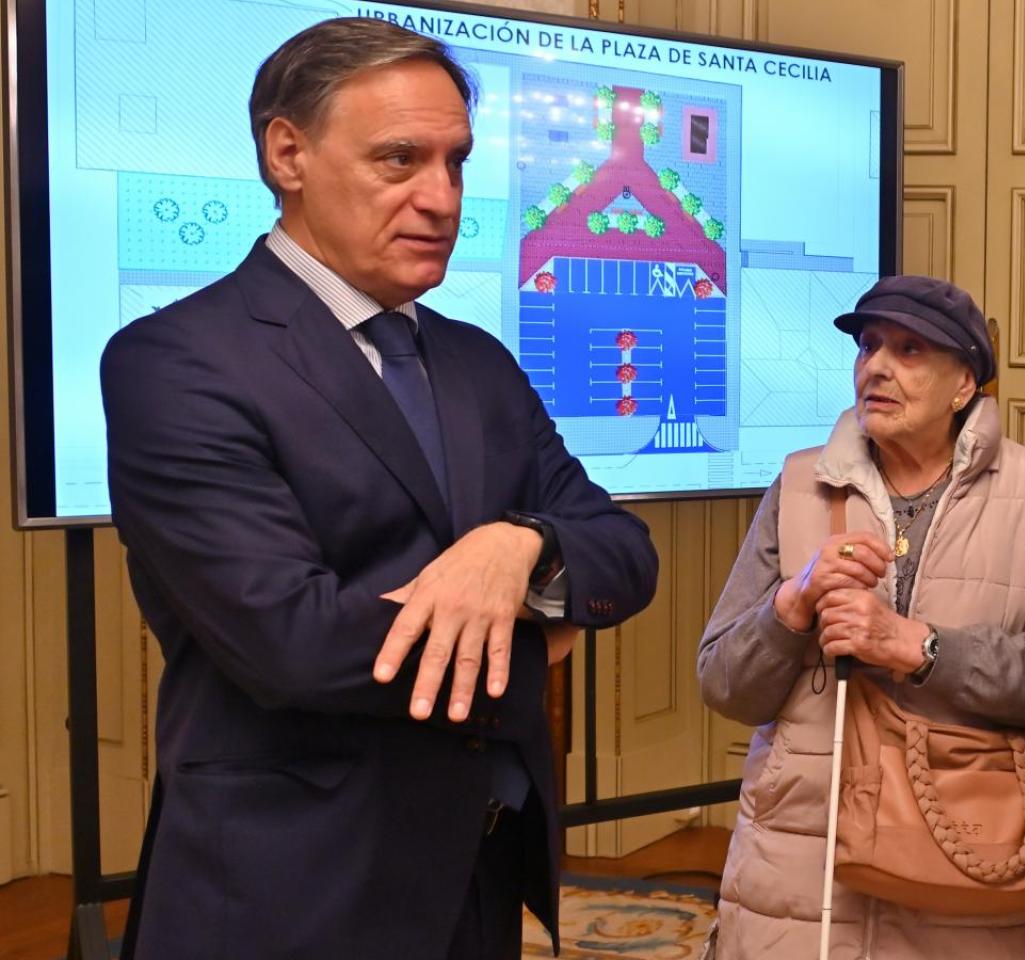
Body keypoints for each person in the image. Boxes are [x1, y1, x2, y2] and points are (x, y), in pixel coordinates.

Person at [101, 18, 658, 960]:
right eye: (400, 159)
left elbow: (621, 549)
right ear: (289, 153)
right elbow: (297, 643)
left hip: (479, 875)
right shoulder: (177, 361)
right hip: (295, 887)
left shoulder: (475, 360)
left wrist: (516, 547)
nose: (441, 198)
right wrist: (540, 644)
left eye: (455, 162)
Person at [697, 275, 1025, 958]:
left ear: (965, 383)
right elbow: (725, 685)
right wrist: (789, 608)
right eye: (869, 346)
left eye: (910, 350)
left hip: (969, 878)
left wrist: (920, 647)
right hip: (798, 881)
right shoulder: (797, 486)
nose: (877, 366)